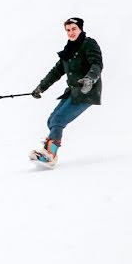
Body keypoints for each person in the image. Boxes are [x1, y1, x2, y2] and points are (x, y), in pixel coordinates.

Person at [29, 17, 103, 167]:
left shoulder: (89, 44)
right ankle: (47, 149)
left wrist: (90, 79)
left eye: (74, 29)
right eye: (68, 30)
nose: (71, 32)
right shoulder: (69, 49)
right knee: (52, 120)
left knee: (58, 120)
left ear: (80, 28)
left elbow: (97, 63)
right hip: (73, 91)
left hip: (86, 91)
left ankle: (50, 155)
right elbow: (56, 71)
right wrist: (41, 87)